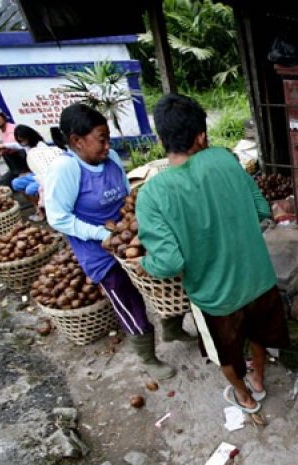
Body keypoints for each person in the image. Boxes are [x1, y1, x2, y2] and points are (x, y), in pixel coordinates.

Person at [134, 93, 289, 414]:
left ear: (162, 139)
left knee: (226, 354)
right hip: (258, 279)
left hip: (216, 298)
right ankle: (259, 380)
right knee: (260, 335)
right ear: (201, 136)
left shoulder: (151, 194)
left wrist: (143, 263)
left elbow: (169, 262)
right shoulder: (224, 159)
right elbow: (263, 209)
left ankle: (244, 397)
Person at [44, 103, 194, 380]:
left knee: (165, 281)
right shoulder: (65, 168)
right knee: (127, 299)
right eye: (101, 139)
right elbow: (58, 218)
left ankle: (173, 327)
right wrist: (104, 235)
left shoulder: (110, 157)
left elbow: (127, 197)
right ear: (77, 141)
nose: (107, 144)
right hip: (99, 252)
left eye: (107, 137)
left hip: (129, 238)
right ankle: (147, 356)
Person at [0, 105, 30, 187]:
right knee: (1, 185)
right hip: (14, 168)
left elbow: (18, 145)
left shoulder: (13, 129)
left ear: (3, 117)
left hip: (25, 166)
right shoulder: (0, 132)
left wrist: (1, 146)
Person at [10, 125, 48, 222]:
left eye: (23, 139)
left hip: (45, 175)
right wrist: (1, 146)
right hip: (34, 175)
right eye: (20, 141)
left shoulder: (41, 146)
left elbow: (45, 168)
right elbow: (14, 145)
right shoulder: (26, 146)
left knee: (30, 189)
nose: (23, 142)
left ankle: (42, 210)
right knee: (16, 183)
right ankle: (36, 206)